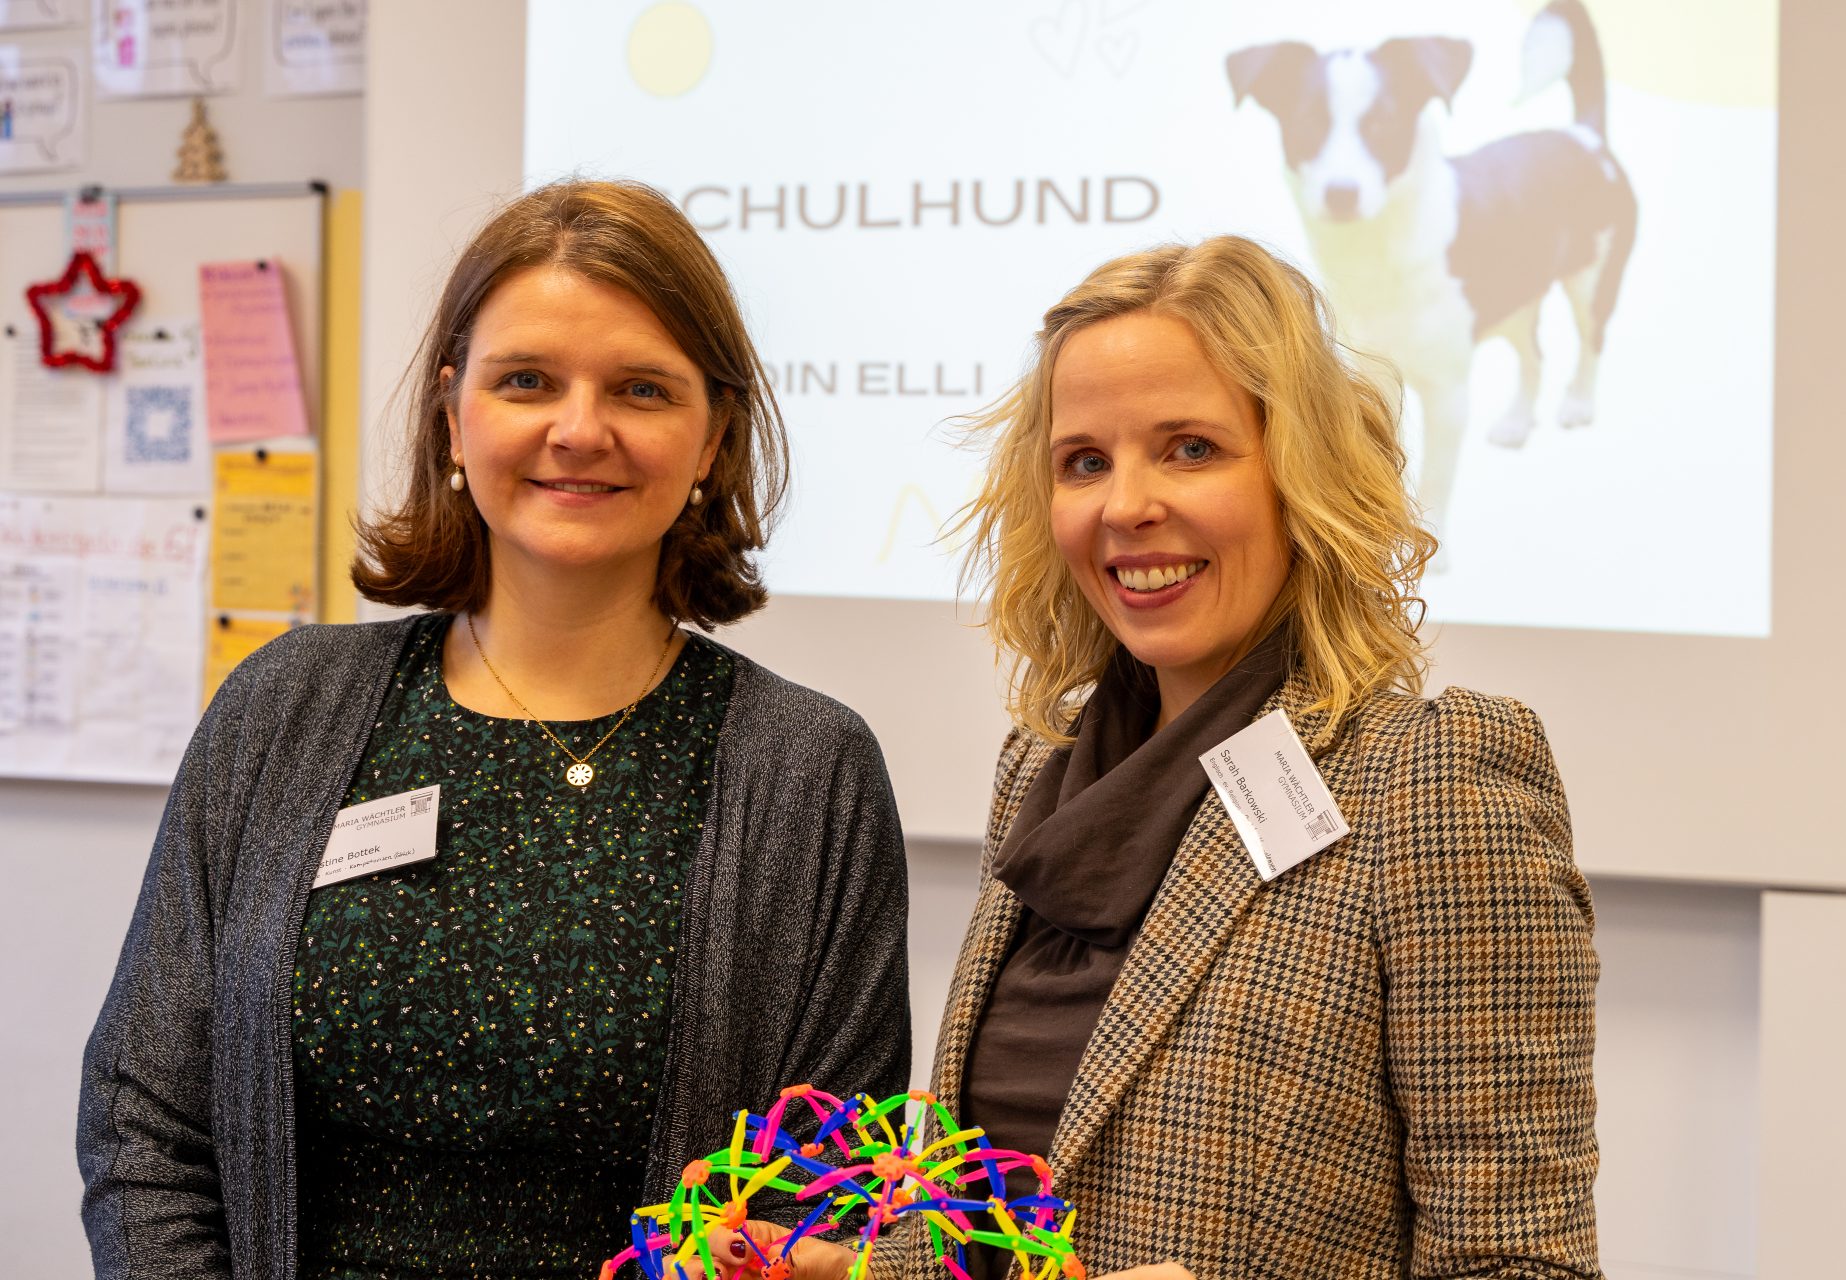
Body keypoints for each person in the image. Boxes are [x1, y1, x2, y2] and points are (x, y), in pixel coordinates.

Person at [77, 180, 912, 1280]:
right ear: (452, 413)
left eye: (642, 389)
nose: (580, 429)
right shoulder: (283, 707)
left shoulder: (810, 770)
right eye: (527, 381)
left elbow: (825, 1202)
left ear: (713, 436)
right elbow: (144, 1120)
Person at [721, 237, 1600, 1280]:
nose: (1126, 504)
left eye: (1190, 448)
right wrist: (860, 1270)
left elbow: (1520, 1262)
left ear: (1301, 472)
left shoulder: (1431, 780)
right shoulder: (1042, 771)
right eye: (1085, 461)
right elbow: (999, 1226)